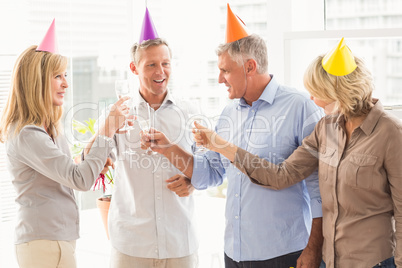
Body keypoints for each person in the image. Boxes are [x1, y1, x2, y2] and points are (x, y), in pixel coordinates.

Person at [191, 38, 402, 268]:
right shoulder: (325, 129)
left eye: (317, 91)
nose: (311, 98)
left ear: (339, 92)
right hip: (331, 261)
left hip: (375, 262)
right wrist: (223, 146)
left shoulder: (390, 132)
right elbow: (282, 175)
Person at [142, 5, 324, 267]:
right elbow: (210, 173)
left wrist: (314, 248)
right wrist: (168, 148)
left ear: (250, 66)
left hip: (286, 252)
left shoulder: (299, 107)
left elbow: (319, 188)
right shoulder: (228, 113)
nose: (219, 79)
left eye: (226, 70)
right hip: (235, 253)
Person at [0, 21, 128, 268]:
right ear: (36, 82)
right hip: (44, 241)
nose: (66, 84)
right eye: (58, 76)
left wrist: (92, 150)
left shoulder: (46, 128)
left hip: (54, 238)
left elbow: (66, 170)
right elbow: (79, 180)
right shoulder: (28, 134)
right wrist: (105, 130)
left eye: (65, 75)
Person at [84, 8, 198, 268]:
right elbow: (86, 163)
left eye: (165, 63)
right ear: (134, 68)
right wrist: (106, 125)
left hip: (180, 243)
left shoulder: (189, 111)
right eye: (151, 65)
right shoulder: (117, 113)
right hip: (131, 246)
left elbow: (210, 166)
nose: (161, 71)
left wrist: (194, 181)